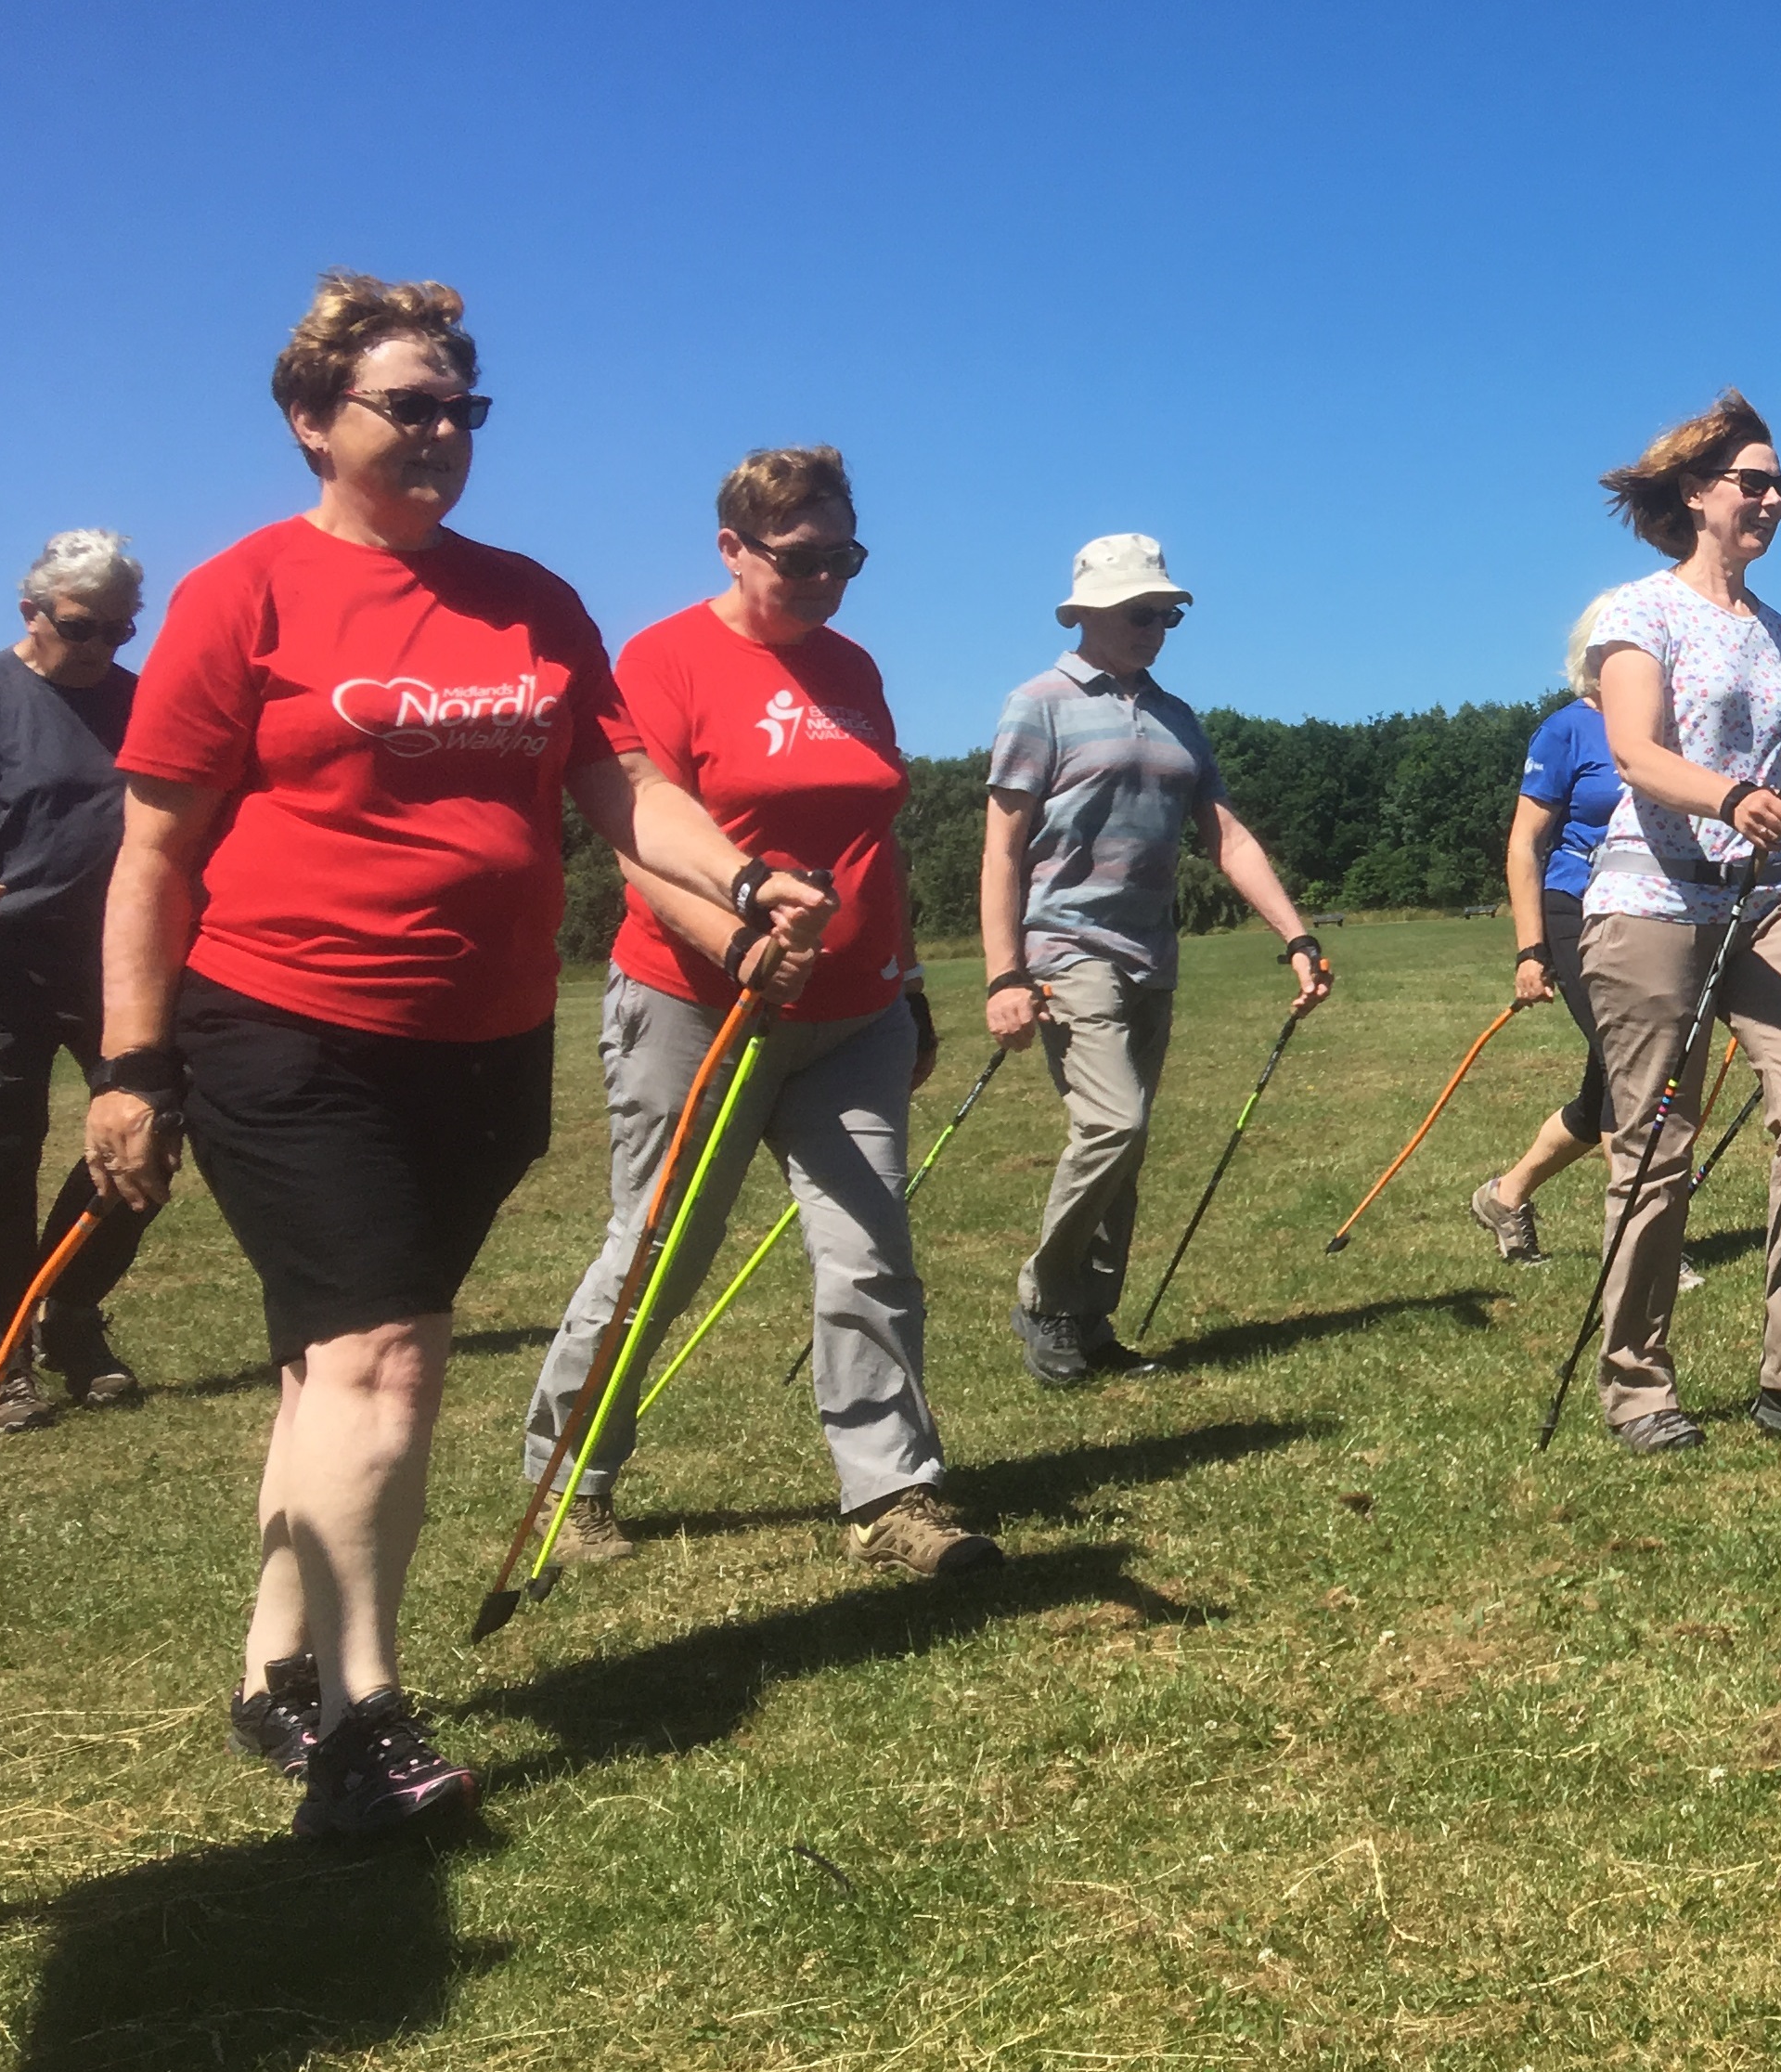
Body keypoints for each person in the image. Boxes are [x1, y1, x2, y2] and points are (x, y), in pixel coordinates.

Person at [82, 271, 829, 1840]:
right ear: (311, 421)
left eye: (459, 410)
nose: (438, 433)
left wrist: (746, 878)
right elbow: (153, 853)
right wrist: (135, 1062)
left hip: (483, 1048)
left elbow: (625, 796)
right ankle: (363, 1716)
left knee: (325, 1370)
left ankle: (272, 1671)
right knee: (387, 1364)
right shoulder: (247, 595)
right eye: (404, 406)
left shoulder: (533, 602)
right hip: (284, 1026)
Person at [514, 447, 991, 1585]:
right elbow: (637, 838)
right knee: (659, 1251)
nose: (827, 579)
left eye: (846, 557)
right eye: (801, 559)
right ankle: (566, 1483)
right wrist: (734, 943)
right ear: (732, 545)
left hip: (855, 1014)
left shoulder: (855, 666)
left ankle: (892, 1494)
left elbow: (880, 846)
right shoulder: (666, 658)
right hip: (694, 1003)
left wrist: (912, 986)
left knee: (868, 1255)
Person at [1575, 391, 1781, 1454]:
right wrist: (1726, 797)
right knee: (1658, 1144)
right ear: (1698, 493)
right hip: (1652, 900)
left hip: (1765, 904)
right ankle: (1638, 1386)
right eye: (1752, 481)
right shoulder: (1638, 610)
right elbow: (1635, 752)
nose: (1770, 499)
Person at [980, 535, 1329, 1382]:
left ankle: (1085, 1323)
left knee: (1126, 1148)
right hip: (1068, 947)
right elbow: (1001, 848)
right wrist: (1004, 973)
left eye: (1166, 614)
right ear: (1089, 612)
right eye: (1140, 612)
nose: (1157, 626)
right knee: (1114, 1123)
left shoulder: (1177, 716)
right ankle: (1044, 1292)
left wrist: (1297, 934)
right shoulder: (1040, 702)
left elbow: (1226, 837)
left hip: (1151, 954)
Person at [0, 532, 161, 1431]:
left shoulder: (138, 701)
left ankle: (69, 1311)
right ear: (31, 612)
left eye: (121, 628)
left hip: (114, 957)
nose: (101, 645)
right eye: (80, 626)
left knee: (147, 1136)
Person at [1468, 597, 1622, 1264]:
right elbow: (1525, 844)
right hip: (1577, 909)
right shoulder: (1566, 731)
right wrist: (1531, 950)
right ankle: (1641, 1242)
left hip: (1650, 915)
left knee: (1605, 1094)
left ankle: (1505, 1194)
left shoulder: (1670, 725)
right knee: (1632, 1065)